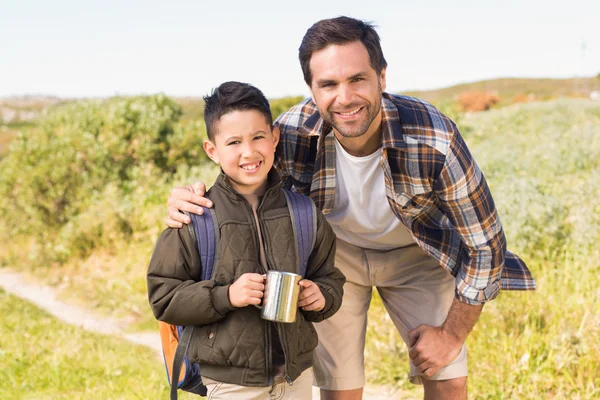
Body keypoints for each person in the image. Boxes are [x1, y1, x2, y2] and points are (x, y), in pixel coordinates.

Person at [165, 17, 535, 400]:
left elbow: (485, 246)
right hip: (335, 256)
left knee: (448, 378)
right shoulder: (289, 134)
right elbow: (238, 170)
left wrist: (452, 334)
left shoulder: (433, 139)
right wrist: (192, 199)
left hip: (417, 254)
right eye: (328, 84)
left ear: (382, 78)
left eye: (357, 79)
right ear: (311, 89)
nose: (344, 97)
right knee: (340, 387)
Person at [147, 81, 345, 399]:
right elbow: (164, 298)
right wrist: (227, 296)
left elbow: (329, 277)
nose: (249, 152)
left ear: (274, 138)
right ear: (212, 151)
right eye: (234, 142)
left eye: (258, 137)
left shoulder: (303, 212)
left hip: (296, 376)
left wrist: (321, 297)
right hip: (230, 383)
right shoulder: (194, 218)